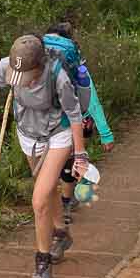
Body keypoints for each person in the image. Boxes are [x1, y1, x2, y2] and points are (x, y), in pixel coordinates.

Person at [0, 35, 87, 278]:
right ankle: (61, 233)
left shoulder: (57, 77)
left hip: (57, 135)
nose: (23, 85)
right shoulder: (8, 66)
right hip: (28, 135)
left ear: (40, 67)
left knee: (39, 200)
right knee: (47, 190)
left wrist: (81, 154)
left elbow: (74, 116)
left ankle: (42, 265)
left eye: (29, 79)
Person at [44, 23, 114, 226]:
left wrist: (105, 132)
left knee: (68, 163)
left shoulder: (77, 68)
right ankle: (65, 199)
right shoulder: (41, 66)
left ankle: (65, 202)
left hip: (78, 121)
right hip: (51, 122)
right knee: (58, 165)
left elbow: (92, 100)